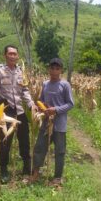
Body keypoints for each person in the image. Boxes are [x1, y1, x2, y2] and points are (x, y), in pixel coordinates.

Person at [0, 45, 36, 184]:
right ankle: (3, 169)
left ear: (17, 56)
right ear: (5, 55)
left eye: (15, 54)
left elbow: (25, 90)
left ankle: (27, 167)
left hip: (19, 110)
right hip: (5, 110)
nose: (13, 56)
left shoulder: (21, 72)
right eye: (10, 53)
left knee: (24, 140)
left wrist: (31, 104)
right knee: (4, 141)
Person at [31, 58, 74, 186]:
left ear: (61, 70)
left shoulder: (65, 85)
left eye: (57, 69)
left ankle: (57, 177)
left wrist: (55, 109)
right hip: (45, 122)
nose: (54, 71)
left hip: (59, 124)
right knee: (39, 147)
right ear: (48, 69)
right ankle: (36, 173)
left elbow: (70, 104)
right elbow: (42, 99)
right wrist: (41, 107)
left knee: (60, 151)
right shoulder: (45, 84)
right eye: (52, 68)